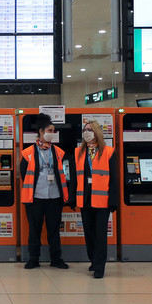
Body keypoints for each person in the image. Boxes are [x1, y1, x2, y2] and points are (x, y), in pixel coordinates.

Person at [19, 113, 69, 270]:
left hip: (55, 196)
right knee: (35, 229)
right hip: (35, 197)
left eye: (54, 131)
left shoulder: (59, 152)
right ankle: (33, 259)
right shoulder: (28, 153)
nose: (52, 134)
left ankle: (56, 258)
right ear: (41, 131)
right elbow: (23, 174)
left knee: (54, 229)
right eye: (50, 130)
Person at [73, 120, 118, 278]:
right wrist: (73, 198)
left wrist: (114, 200)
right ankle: (93, 260)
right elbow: (75, 177)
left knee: (100, 234)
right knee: (89, 233)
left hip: (102, 201)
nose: (86, 132)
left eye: (90, 130)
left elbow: (114, 178)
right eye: (85, 130)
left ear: (97, 132)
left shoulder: (109, 151)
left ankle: (100, 267)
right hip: (85, 200)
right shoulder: (78, 152)